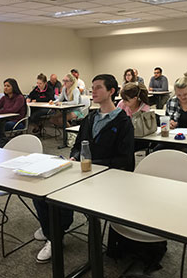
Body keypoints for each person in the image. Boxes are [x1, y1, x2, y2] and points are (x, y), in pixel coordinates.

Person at [33, 74, 134, 264]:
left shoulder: (123, 122)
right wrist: (75, 156)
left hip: (108, 178)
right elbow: (78, 145)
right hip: (82, 171)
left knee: (59, 197)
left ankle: (54, 234)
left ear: (111, 92)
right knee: (41, 191)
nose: (92, 91)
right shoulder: (91, 117)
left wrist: (94, 164)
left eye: (98, 88)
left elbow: (125, 159)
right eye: (93, 87)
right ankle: (52, 232)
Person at [0, 78, 26, 146]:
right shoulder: (4, 98)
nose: (5, 88)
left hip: (16, 121)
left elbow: (13, 110)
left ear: (14, 87)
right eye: (5, 86)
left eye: (8, 86)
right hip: (4, 120)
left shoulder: (19, 98)